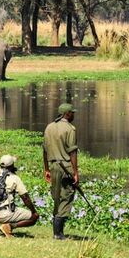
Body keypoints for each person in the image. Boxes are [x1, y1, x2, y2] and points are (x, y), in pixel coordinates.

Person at [43, 102, 81, 240]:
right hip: (66, 167)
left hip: (53, 166)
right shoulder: (71, 129)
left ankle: (57, 231)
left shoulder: (49, 127)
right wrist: (75, 172)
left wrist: (46, 169)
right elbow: (73, 153)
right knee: (67, 195)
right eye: (72, 113)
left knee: (56, 196)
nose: (74, 115)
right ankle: (58, 232)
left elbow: (44, 150)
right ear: (67, 114)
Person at [0, 153, 39, 236]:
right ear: (12, 165)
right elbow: (25, 198)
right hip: (4, 215)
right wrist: (34, 211)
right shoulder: (14, 178)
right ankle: (9, 227)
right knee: (34, 217)